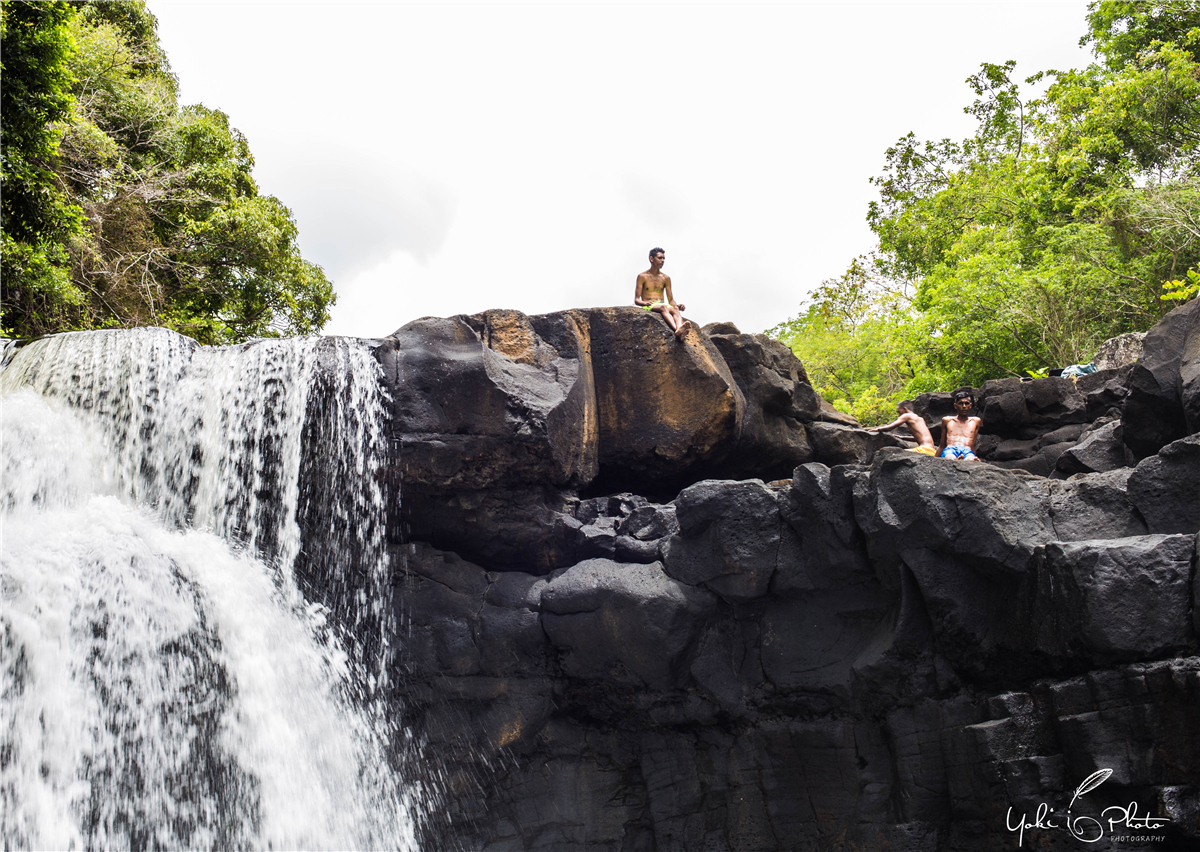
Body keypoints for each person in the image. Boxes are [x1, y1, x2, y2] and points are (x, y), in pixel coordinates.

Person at [635, 247, 689, 339]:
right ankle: (677, 329)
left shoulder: (666, 278)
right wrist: (644, 303)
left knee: (674, 309)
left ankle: (680, 329)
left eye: (664, 258)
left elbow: (671, 300)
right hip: (649, 305)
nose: (662, 260)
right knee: (663, 307)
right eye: (660, 258)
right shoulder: (642, 276)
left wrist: (677, 306)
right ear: (651, 259)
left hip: (662, 304)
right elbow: (636, 300)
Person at [868, 401, 937, 455]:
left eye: (899, 411)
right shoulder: (920, 419)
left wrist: (878, 429)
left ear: (905, 409)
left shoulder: (907, 415)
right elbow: (919, 438)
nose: (899, 414)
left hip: (924, 449)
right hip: (932, 451)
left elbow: (890, 427)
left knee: (891, 453)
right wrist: (902, 437)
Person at [937, 390, 982, 460]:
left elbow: (973, 444)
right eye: (961, 403)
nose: (964, 406)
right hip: (950, 450)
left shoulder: (975, 421)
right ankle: (959, 459)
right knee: (951, 458)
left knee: (971, 459)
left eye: (966, 403)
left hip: (967, 451)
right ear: (955, 406)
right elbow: (942, 445)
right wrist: (934, 460)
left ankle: (964, 459)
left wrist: (974, 456)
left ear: (970, 406)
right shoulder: (947, 420)